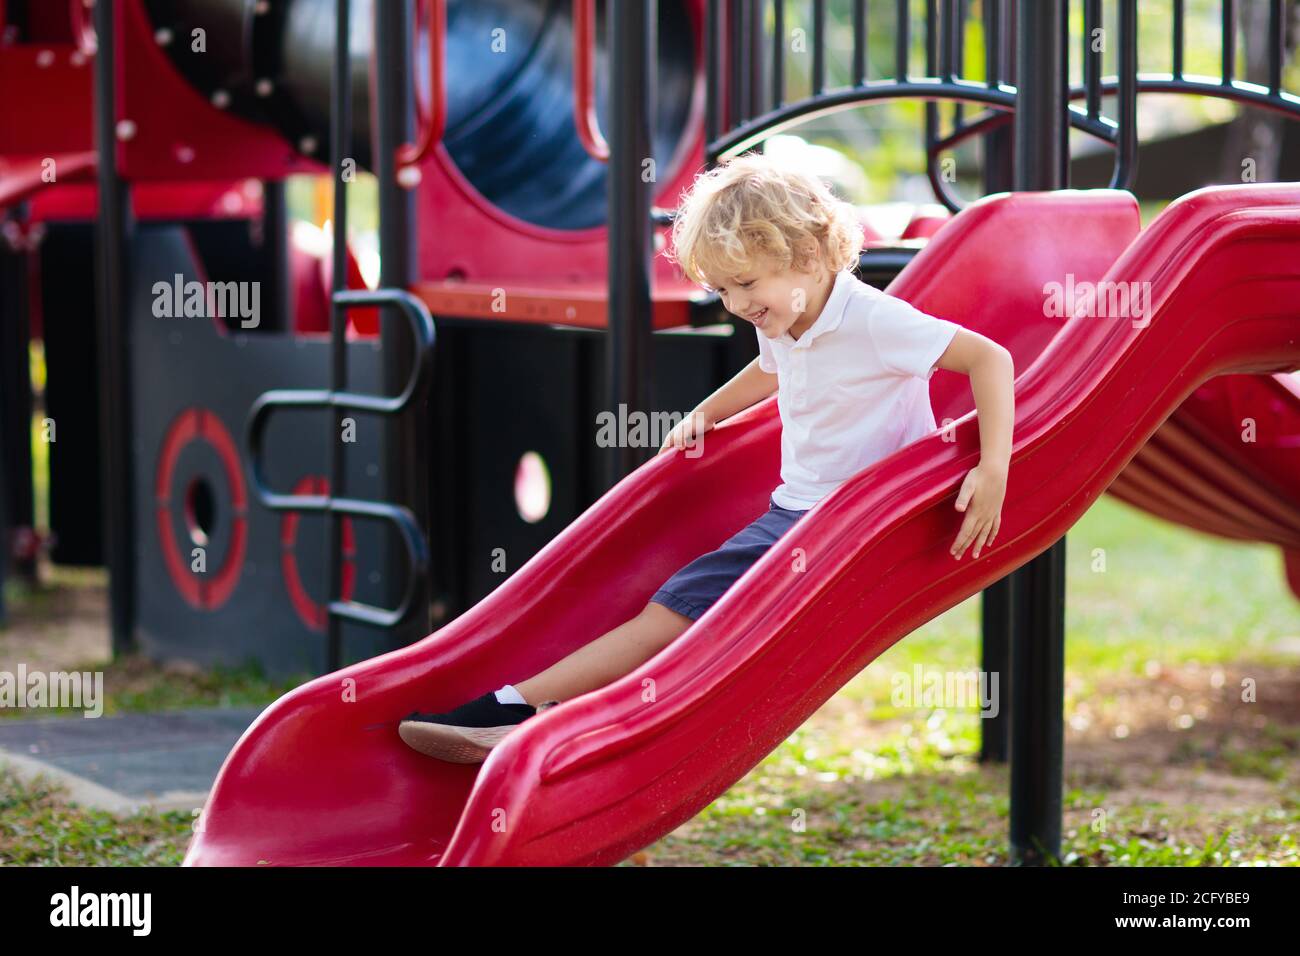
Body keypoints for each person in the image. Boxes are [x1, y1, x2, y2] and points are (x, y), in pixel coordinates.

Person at [398, 153, 1014, 764]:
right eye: (722, 289)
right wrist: (709, 411)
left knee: (673, 619)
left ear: (808, 255)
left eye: (746, 284)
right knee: (679, 615)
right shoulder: (784, 313)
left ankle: (523, 711)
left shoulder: (877, 322)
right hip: (797, 514)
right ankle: (544, 717)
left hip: (847, 524)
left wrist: (991, 469)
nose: (737, 303)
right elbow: (770, 368)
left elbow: (991, 360)